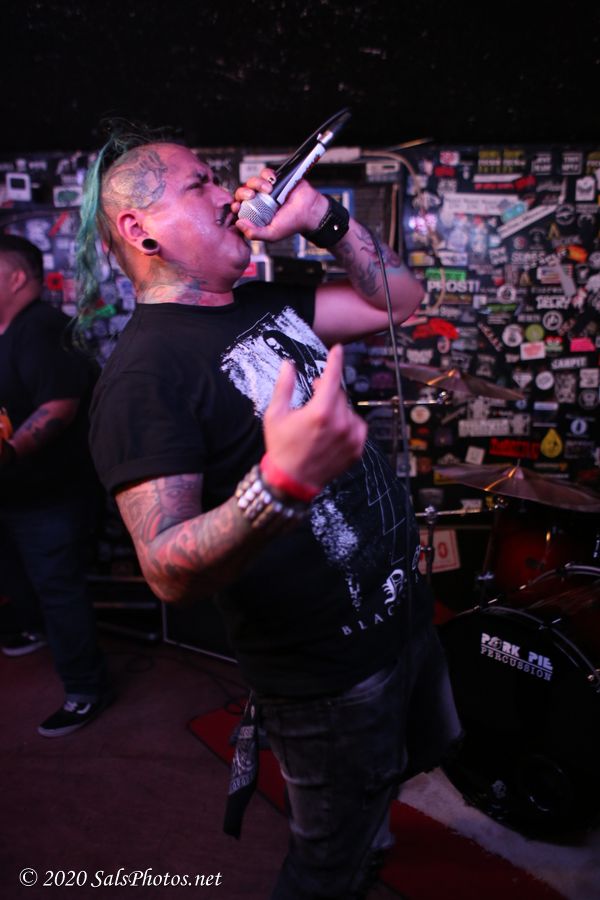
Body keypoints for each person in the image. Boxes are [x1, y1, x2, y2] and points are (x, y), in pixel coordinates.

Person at [78, 130, 461, 899]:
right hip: (326, 678)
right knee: (325, 866)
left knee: (387, 782)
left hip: (401, 621)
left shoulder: (262, 301)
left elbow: (403, 302)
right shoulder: (143, 378)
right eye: (200, 184)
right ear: (141, 231)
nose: (228, 195)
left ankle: (374, 837)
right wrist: (279, 484)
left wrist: (323, 217)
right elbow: (166, 568)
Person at [0, 234, 110, 737]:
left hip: (50, 494)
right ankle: (32, 626)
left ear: (16, 277)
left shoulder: (42, 328)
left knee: (59, 588)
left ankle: (86, 690)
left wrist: (9, 452)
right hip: (15, 492)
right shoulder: (9, 330)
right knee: (17, 573)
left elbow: (58, 407)